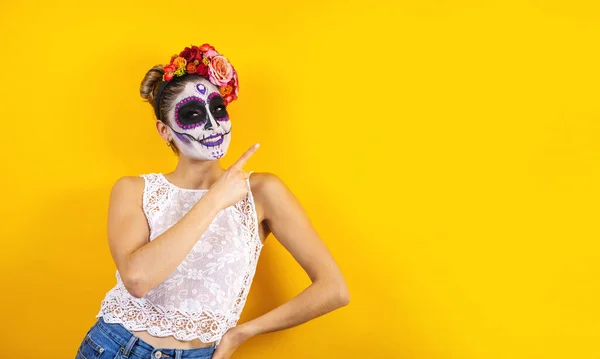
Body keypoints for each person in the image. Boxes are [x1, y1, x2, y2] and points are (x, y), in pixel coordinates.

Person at [74, 43, 350, 359]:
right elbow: (137, 280)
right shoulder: (132, 189)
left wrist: (241, 333)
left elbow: (334, 289)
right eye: (192, 114)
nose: (212, 124)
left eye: (218, 109)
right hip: (115, 348)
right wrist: (215, 198)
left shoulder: (263, 192)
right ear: (164, 131)